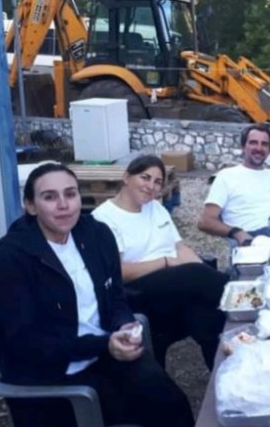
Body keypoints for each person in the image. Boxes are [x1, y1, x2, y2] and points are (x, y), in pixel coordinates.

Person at [0, 163, 193, 427]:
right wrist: (104, 345)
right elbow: (28, 343)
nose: (63, 205)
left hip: (104, 353)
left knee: (172, 404)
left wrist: (123, 325)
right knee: (139, 415)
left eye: (70, 194)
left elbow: (115, 296)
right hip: (54, 376)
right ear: (31, 206)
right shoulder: (11, 260)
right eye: (49, 197)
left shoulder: (95, 235)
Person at [92, 154, 229, 370]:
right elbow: (117, 272)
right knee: (198, 278)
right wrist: (165, 262)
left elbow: (180, 248)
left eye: (157, 182)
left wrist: (205, 274)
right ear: (126, 177)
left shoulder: (155, 208)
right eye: (145, 177)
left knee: (205, 313)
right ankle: (235, 292)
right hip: (136, 290)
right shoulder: (104, 218)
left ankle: (224, 375)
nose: (151, 186)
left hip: (173, 285)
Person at [199, 123, 270, 246]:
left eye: (264, 144)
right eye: (253, 143)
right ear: (243, 147)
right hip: (252, 240)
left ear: (269, 150)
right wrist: (237, 233)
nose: (259, 148)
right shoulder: (226, 176)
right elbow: (205, 221)